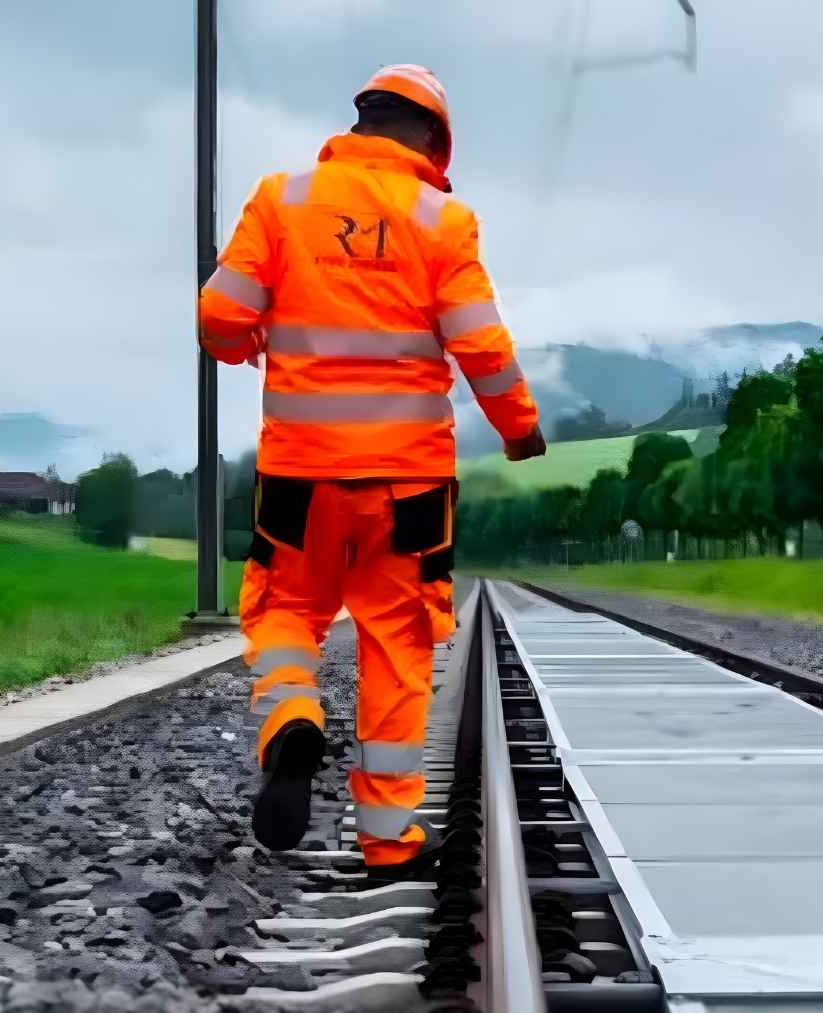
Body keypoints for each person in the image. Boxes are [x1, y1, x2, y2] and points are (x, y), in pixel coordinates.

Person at [197, 64, 545, 880]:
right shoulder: (443, 220)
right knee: (398, 646)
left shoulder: (282, 199)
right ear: (433, 139)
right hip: (408, 489)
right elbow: (481, 346)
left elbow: (219, 315)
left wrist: (247, 343)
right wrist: (520, 429)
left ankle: (290, 715)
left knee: (284, 612)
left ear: (359, 124)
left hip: (300, 480)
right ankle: (389, 841)